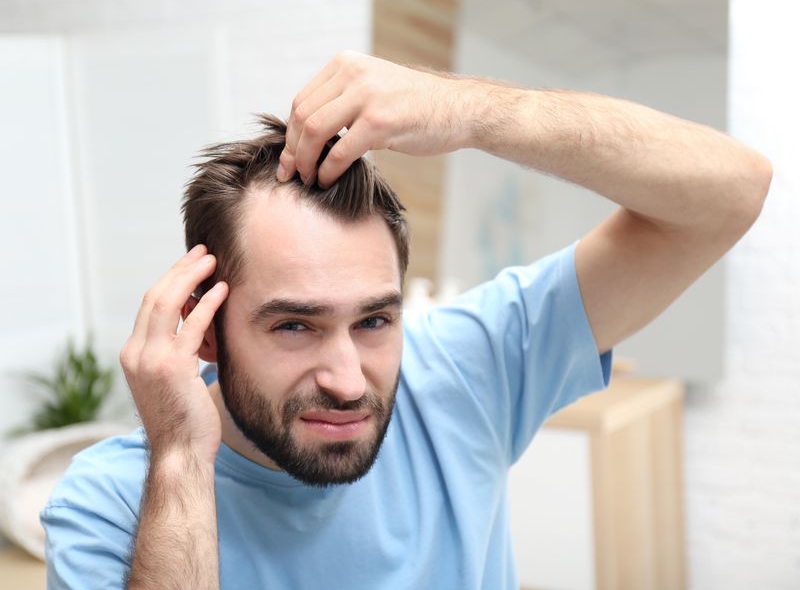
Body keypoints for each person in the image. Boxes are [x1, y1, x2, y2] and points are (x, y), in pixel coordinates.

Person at [41, 51, 771, 589]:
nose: (348, 379)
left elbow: (731, 192)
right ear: (205, 328)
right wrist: (180, 459)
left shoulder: (462, 371)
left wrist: (475, 111)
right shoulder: (112, 507)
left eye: (374, 321)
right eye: (295, 326)